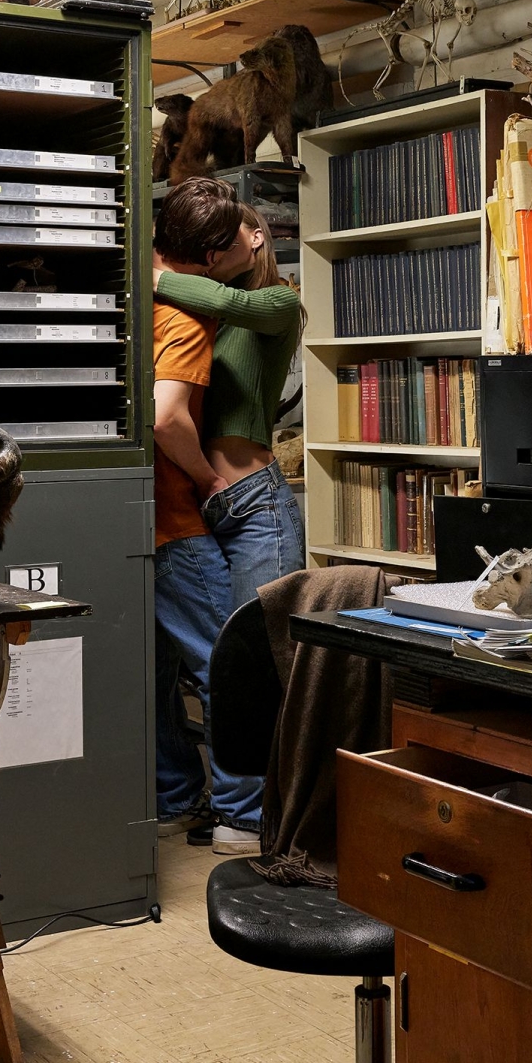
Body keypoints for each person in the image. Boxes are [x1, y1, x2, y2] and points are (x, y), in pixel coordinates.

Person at [155, 202, 306, 857]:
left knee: (254, 661)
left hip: (255, 505)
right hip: (209, 503)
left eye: (241, 229)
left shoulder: (278, 301)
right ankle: (221, 803)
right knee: (210, 661)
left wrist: (154, 273)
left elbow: (219, 294)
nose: (219, 251)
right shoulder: (204, 312)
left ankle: (250, 820)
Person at [150, 178, 264, 851]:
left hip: (130, 520)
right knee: (230, 665)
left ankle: (175, 797)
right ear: (214, 254)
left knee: (156, 674)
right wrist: (208, 477)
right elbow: (167, 418)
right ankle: (242, 817)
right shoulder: (186, 317)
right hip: (174, 520)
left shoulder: (134, 293)